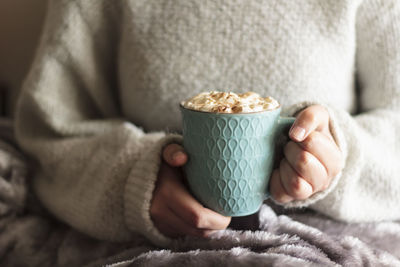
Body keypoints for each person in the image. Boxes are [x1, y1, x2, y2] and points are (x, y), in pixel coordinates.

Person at [15, 0, 400, 247]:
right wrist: (132, 182)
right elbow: (49, 130)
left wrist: (339, 155)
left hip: (335, 243)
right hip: (149, 248)